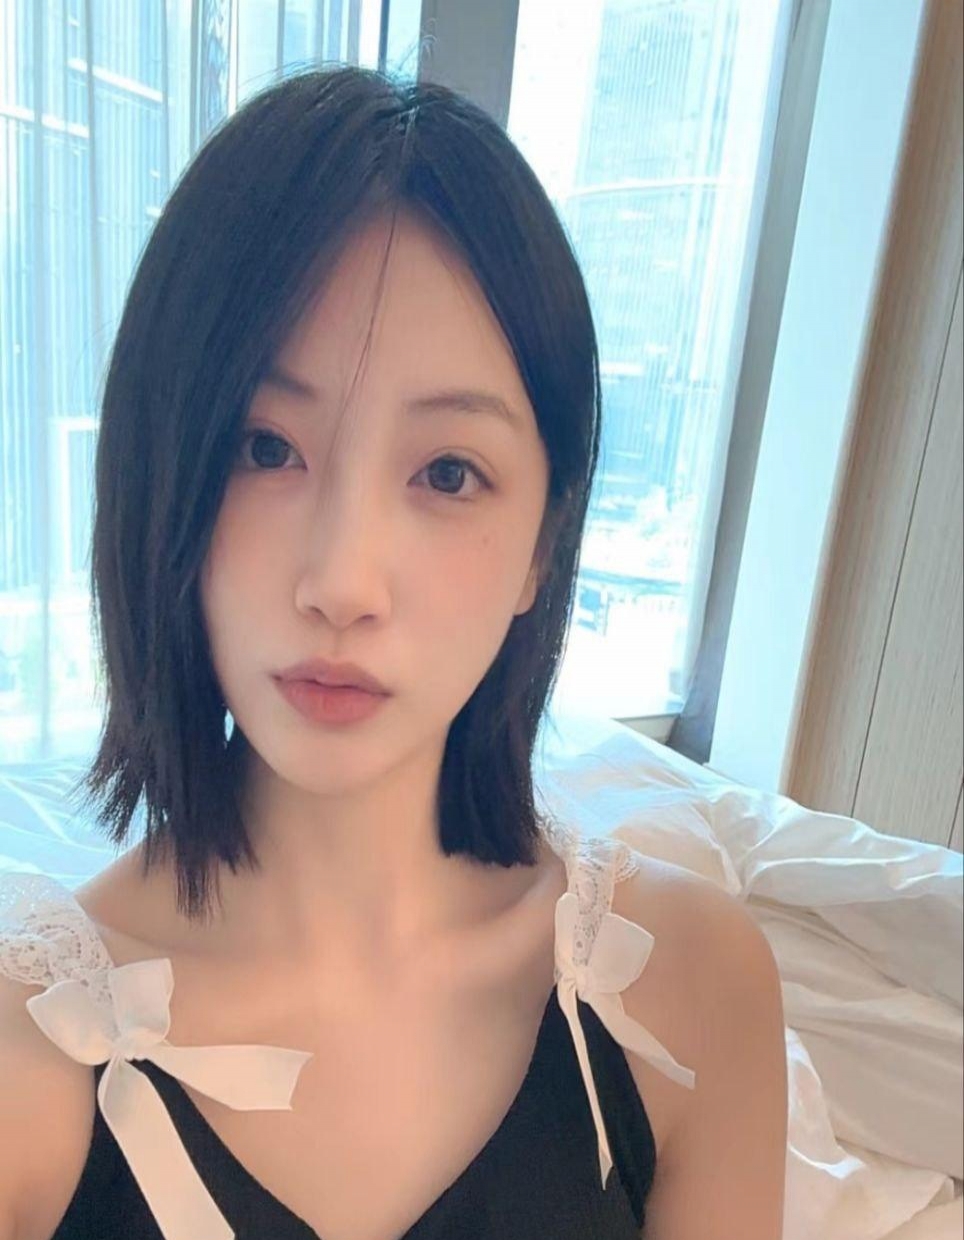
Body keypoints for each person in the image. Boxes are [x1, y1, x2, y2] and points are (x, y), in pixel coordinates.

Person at [0, 64, 787, 1240]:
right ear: (162, 472)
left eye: (447, 472)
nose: (342, 582)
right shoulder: (30, 1057)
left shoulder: (692, 986)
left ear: (543, 545)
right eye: (265, 448)